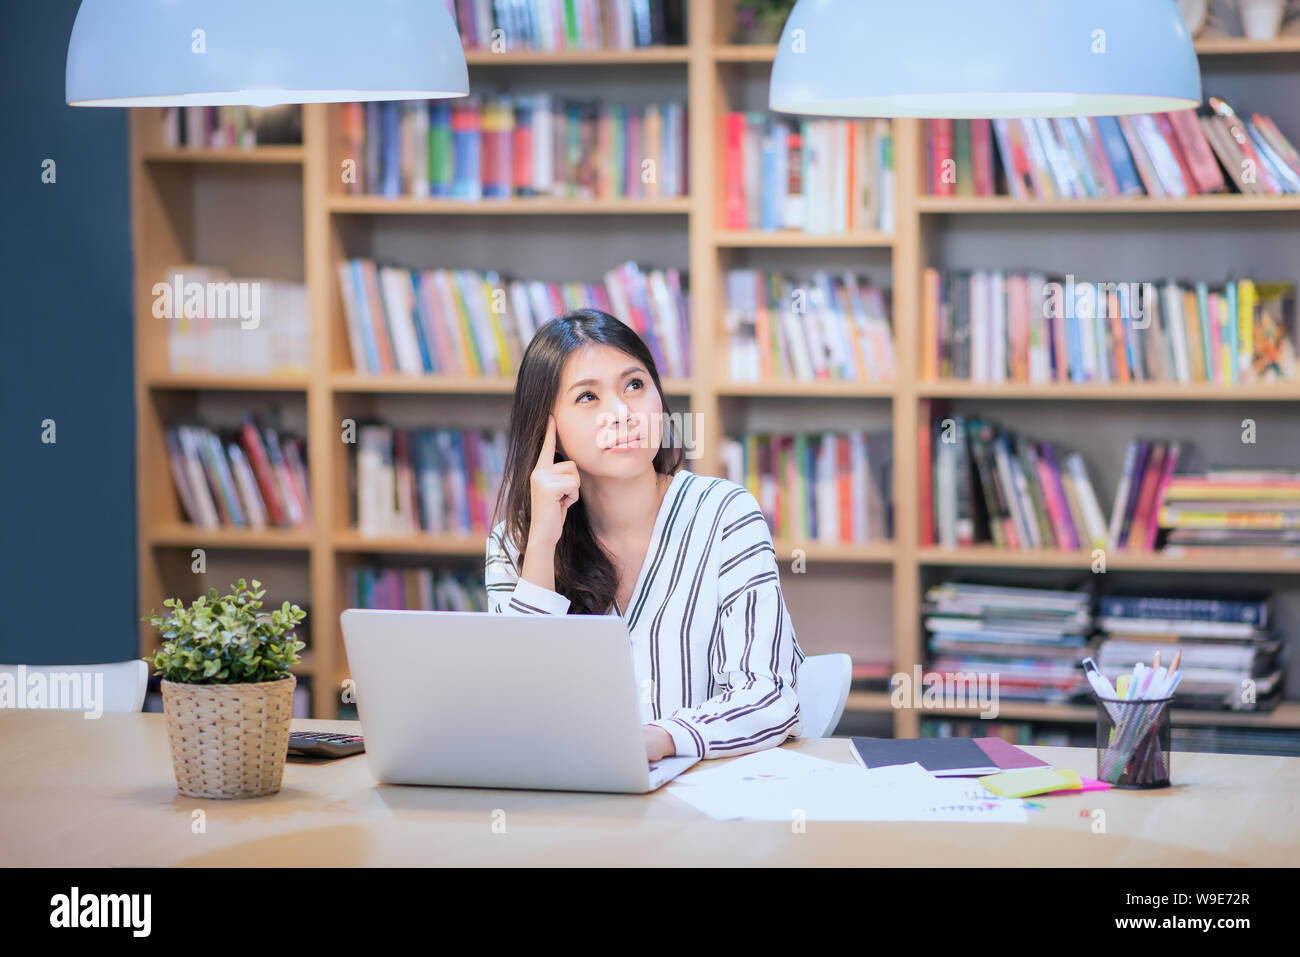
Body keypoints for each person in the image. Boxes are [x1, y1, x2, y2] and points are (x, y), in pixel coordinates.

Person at [485, 308, 805, 764]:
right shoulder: (512, 544)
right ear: (547, 428)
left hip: (708, 806)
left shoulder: (725, 515)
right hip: (569, 804)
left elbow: (770, 697)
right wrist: (540, 547)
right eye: (587, 398)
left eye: (634, 385)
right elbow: (508, 712)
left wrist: (661, 739)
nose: (621, 414)